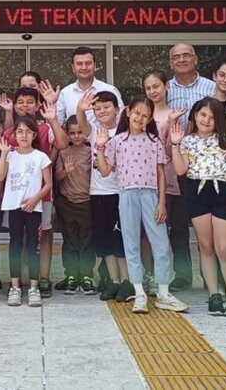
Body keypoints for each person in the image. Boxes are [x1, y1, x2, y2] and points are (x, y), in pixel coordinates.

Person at [97, 95, 189, 314]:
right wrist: (100, 147)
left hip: (150, 195)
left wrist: (162, 202)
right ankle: (139, 293)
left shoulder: (154, 141)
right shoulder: (117, 141)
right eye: (137, 113)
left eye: (145, 115)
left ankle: (163, 293)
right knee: (131, 245)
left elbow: (161, 174)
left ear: (150, 119)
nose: (140, 118)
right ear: (128, 112)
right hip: (126, 195)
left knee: (161, 244)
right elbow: (105, 170)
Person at [169, 97, 226, 316]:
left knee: (224, 247)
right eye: (203, 114)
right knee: (205, 246)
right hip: (197, 193)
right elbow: (180, 170)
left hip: (225, 192)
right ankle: (214, 293)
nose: (206, 120)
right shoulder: (188, 140)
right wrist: (175, 144)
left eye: (212, 117)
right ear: (195, 115)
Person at [0, 87, 67, 297]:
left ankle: (41, 279)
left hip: (41, 196)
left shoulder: (46, 128)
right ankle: (17, 282)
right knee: (18, 239)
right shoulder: (11, 132)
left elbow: (62, 143)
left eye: (30, 101)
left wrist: (53, 119)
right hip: (15, 199)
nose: (25, 106)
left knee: (42, 236)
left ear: (37, 105)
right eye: (21, 102)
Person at [78, 90, 130, 301]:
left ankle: (127, 281)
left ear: (117, 109)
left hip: (119, 192)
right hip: (97, 192)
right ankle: (114, 281)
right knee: (105, 240)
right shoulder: (94, 131)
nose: (102, 111)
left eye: (107, 107)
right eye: (97, 108)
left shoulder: (124, 131)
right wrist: (81, 108)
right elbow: (82, 122)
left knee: (120, 239)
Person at [0, 116, 52, 308]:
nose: (24, 135)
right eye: (19, 131)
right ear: (14, 135)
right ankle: (15, 286)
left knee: (33, 246)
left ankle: (34, 287)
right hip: (14, 206)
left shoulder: (40, 156)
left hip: (33, 207)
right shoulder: (10, 155)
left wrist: (35, 199)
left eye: (28, 131)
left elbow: (48, 184)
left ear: (34, 135)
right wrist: (4, 154)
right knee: (15, 245)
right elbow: (0, 176)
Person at [143, 70, 191, 291]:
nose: (153, 91)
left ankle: (183, 274)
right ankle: (153, 273)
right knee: (152, 229)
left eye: (156, 86)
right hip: (147, 180)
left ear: (166, 86)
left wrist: (172, 124)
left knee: (178, 228)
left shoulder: (175, 114)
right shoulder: (142, 116)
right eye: (148, 88)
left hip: (173, 178)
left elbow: (172, 152)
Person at [54, 116, 94, 295]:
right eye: (72, 133)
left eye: (80, 132)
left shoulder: (91, 150)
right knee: (69, 240)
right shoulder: (63, 152)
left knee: (87, 241)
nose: (77, 136)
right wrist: (66, 171)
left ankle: (86, 275)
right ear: (67, 134)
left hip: (87, 202)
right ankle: (71, 275)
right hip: (67, 202)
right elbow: (56, 176)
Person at [55, 46, 123, 126]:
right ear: (73, 68)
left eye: (88, 63)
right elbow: (57, 124)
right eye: (79, 64)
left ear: (95, 66)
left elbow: (121, 120)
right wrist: (52, 103)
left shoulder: (110, 90)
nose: (84, 67)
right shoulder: (65, 93)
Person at [166, 43, 216, 126]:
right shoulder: (165, 89)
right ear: (171, 64)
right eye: (176, 57)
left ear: (195, 59)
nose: (181, 60)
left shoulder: (212, 87)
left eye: (186, 55)